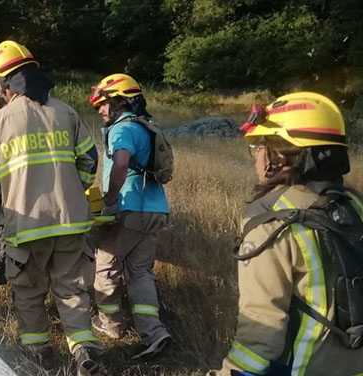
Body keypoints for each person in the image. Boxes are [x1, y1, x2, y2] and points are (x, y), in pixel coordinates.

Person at [209, 92, 363, 376]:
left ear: (281, 155)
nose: (256, 157)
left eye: (259, 146)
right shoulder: (355, 205)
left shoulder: (270, 218)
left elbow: (260, 331)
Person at [0, 40, 103, 375]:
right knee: (72, 291)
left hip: (26, 226)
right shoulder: (66, 111)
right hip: (71, 222)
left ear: (6, 82)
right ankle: (84, 352)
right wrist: (73, 191)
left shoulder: (0, 122)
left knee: (29, 292)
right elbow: (89, 161)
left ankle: (40, 356)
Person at [88, 73, 171, 359]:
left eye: (103, 104)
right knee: (140, 272)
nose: (100, 110)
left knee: (106, 266)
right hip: (156, 210)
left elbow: (121, 163)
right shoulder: (148, 126)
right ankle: (154, 332)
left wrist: (110, 197)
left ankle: (111, 325)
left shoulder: (121, 129)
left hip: (129, 208)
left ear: (119, 103)